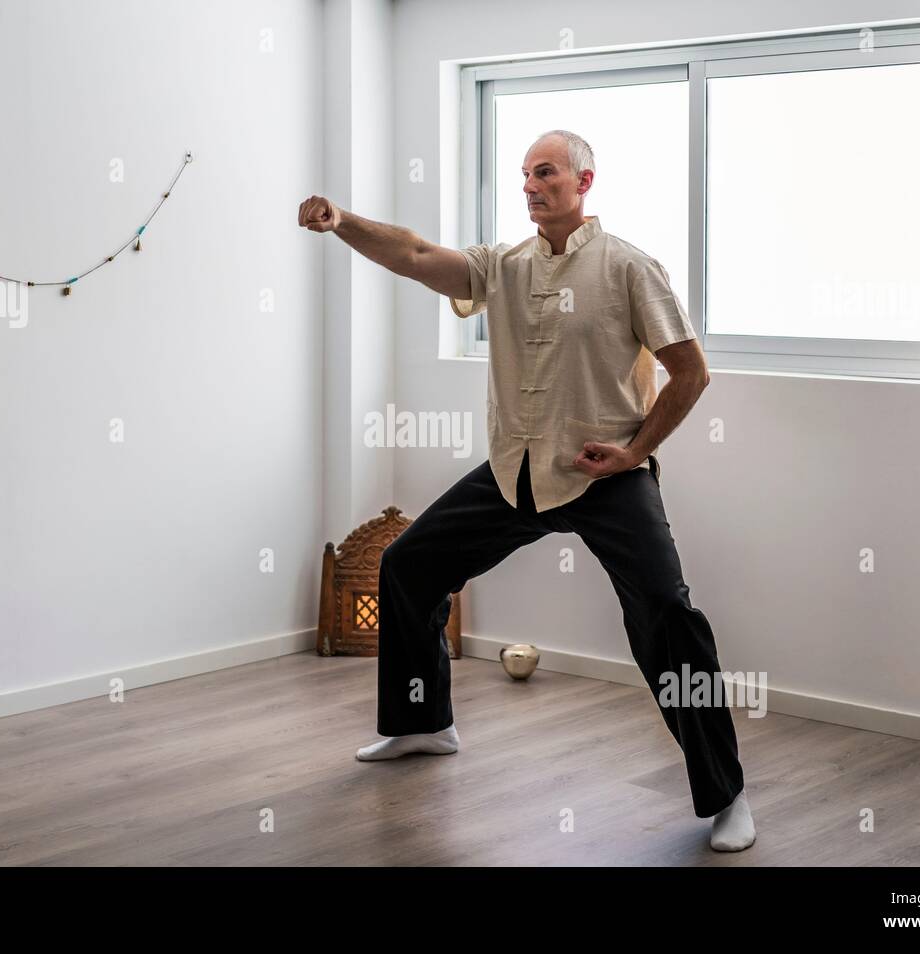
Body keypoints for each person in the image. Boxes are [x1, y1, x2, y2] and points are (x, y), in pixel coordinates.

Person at [297, 130, 755, 852]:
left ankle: (727, 796)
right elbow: (415, 255)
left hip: (606, 475)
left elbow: (690, 371)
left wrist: (636, 450)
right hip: (518, 470)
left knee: (667, 613)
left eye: (545, 172)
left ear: (585, 181)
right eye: (525, 175)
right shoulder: (503, 267)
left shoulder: (630, 267)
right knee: (408, 566)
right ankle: (424, 724)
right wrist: (344, 222)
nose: (531, 185)